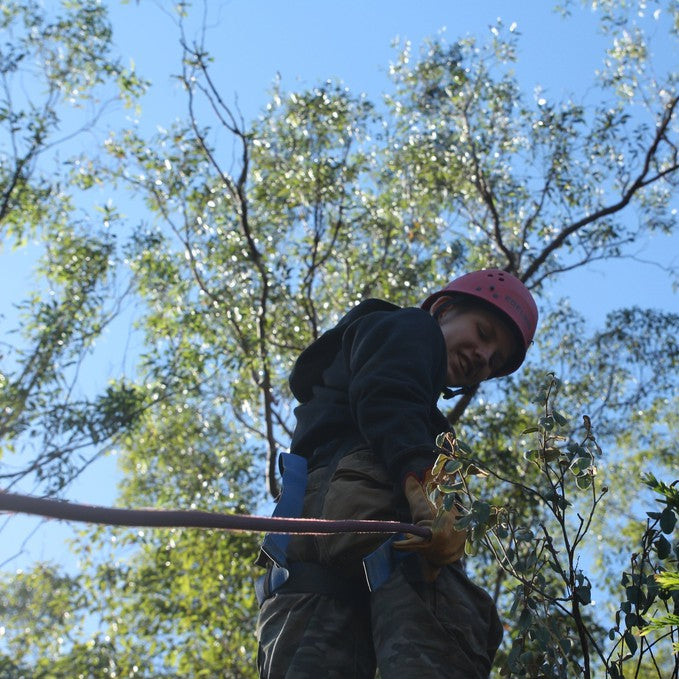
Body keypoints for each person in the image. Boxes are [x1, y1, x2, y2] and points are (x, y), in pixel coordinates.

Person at [255, 269, 539, 679]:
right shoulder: (412, 328)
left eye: (494, 361)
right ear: (442, 310)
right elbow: (389, 394)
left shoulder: (357, 380)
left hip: (307, 570)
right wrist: (423, 484)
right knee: (448, 639)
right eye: (482, 332)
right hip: (383, 546)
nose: (482, 356)